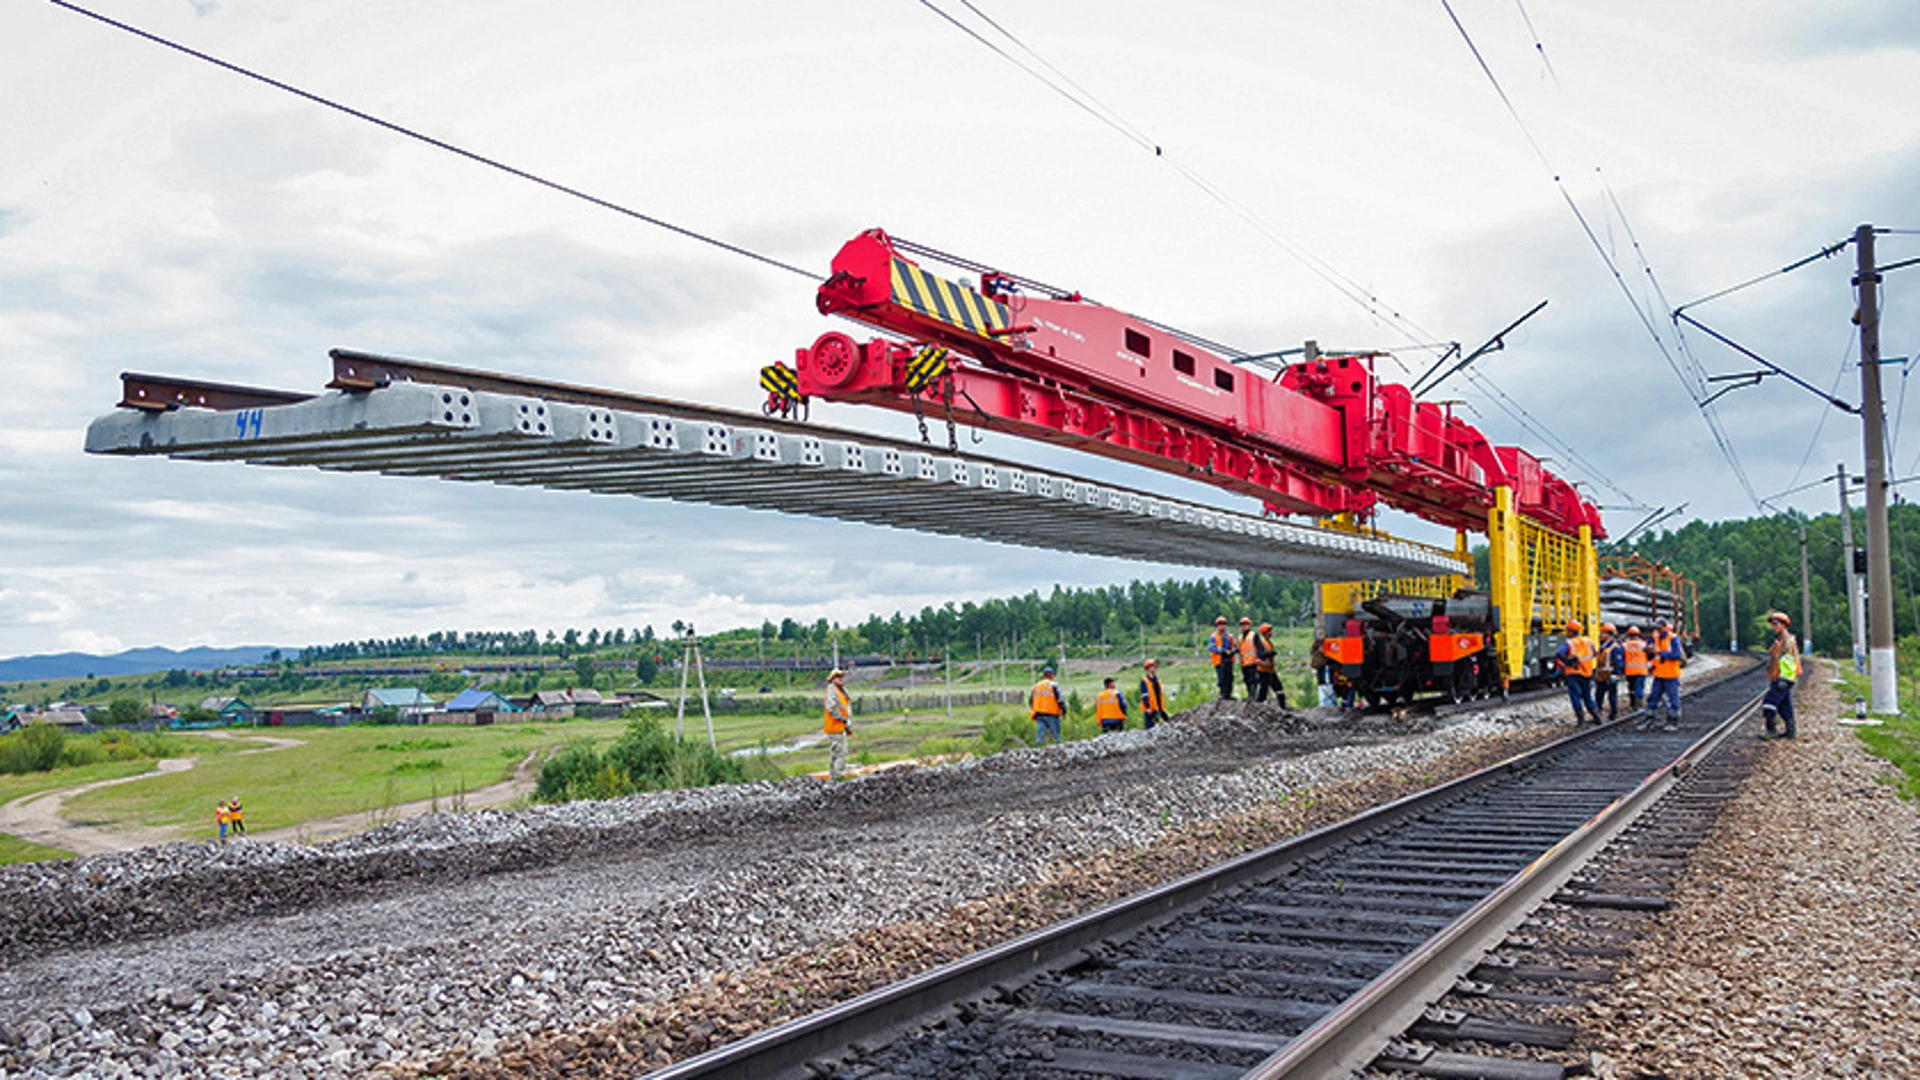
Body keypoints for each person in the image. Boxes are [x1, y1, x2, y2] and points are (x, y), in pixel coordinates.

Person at [1762, 611, 1800, 739]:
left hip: (1783, 679)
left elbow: (1788, 662)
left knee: (1769, 703)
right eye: (1773, 624)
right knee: (1784, 705)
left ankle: (1771, 730)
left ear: (1784, 625)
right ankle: (1791, 731)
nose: (1774, 627)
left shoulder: (1787, 642)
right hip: (1779, 677)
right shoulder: (1779, 641)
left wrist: (1784, 679)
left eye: (1776, 624)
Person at [1554, 619, 1599, 724]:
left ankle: (1580, 719)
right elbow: (1594, 653)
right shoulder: (1588, 641)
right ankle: (1596, 716)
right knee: (1587, 695)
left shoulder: (1569, 642)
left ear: (1571, 631)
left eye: (1568, 630)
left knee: (1575, 695)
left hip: (1573, 672)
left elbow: (1559, 653)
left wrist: (1568, 662)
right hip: (1587, 672)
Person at [1646, 618, 1685, 730]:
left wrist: (1660, 653)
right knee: (1653, 697)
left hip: (1671, 674)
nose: (1657, 630)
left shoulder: (1673, 638)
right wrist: (1649, 652)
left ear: (1664, 627)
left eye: (1659, 627)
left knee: (1673, 699)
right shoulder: (1655, 638)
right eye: (1656, 628)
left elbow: (1677, 655)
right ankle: (1650, 720)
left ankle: (1673, 721)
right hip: (1659, 674)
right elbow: (1652, 655)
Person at [822, 668, 852, 781]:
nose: (841, 679)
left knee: (837, 754)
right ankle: (838, 777)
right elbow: (832, 708)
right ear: (833, 679)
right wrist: (842, 718)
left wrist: (847, 725)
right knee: (840, 754)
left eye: (842, 677)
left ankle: (833, 778)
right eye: (839, 677)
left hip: (839, 727)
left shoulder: (839, 691)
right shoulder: (832, 690)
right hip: (835, 727)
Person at [1591, 623, 1621, 721]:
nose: (1600, 635)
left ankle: (1613, 714)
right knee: (1598, 695)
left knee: (1612, 696)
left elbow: (1618, 663)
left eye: (1603, 633)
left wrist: (1616, 675)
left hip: (1610, 675)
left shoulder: (1614, 647)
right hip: (1601, 676)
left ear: (1609, 634)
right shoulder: (1602, 647)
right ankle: (1597, 714)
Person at [1030, 666, 1065, 746]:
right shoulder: (1054, 685)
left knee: (1040, 735)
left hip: (1039, 714)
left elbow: (1031, 701)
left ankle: (1037, 750)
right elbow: (1060, 699)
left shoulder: (1036, 686)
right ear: (1050, 675)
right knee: (1056, 735)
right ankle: (1059, 751)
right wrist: (1064, 711)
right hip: (1051, 713)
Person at [1255, 623, 1288, 707]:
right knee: (1265, 689)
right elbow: (1260, 655)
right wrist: (1268, 654)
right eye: (1269, 631)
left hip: (1269, 669)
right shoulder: (1262, 642)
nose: (1271, 633)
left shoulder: (1268, 643)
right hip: (1263, 670)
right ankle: (1259, 706)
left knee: (1277, 688)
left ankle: (1282, 705)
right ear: (1265, 632)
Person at [1620, 626, 1650, 712]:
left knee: (1631, 688)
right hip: (1641, 670)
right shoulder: (1644, 644)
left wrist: (1622, 670)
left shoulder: (1625, 645)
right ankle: (1639, 705)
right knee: (1639, 688)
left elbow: (1622, 657)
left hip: (1629, 671)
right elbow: (1649, 655)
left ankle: (1633, 704)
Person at [1208, 617, 1236, 700]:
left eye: (1223, 624)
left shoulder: (1230, 636)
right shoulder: (1214, 636)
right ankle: (1223, 694)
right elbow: (1211, 647)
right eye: (1220, 625)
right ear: (1217, 626)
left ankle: (1228, 694)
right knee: (1222, 678)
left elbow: (1235, 646)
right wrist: (1221, 651)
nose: (1222, 627)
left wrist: (1232, 651)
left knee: (1229, 678)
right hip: (1219, 661)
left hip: (1229, 660)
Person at [1236, 617, 1263, 700]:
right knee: (1246, 679)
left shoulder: (1254, 635)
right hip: (1244, 662)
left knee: (1253, 680)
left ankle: (1252, 696)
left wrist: (1259, 657)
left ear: (1249, 625)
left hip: (1252, 661)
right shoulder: (1240, 637)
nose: (1244, 627)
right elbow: (1239, 648)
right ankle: (1249, 695)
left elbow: (1259, 647)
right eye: (1242, 625)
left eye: (1245, 625)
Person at [1139, 659, 1169, 729]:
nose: (1155, 668)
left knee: (1165, 723)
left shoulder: (1156, 680)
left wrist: (1161, 707)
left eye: (1155, 666)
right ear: (1148, 668)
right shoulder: (1145, 681)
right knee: (1150, 727)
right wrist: (1148, 707)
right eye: (1153, 667)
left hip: (1159, 707)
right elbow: (1144, 695)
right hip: (1151, 708)